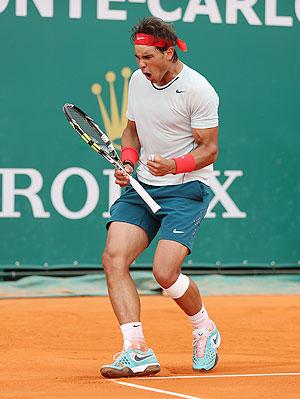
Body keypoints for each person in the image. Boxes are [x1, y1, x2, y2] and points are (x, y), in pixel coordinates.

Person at [100, 16, 220, 378]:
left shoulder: (199, 90)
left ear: (168, 52)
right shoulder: (138, 81)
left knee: (165, 273)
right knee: (113, 257)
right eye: (137, 57)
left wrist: (176, 164)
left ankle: (203, 329)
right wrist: (127, 163)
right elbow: (131, 132)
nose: (141, 65)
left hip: (187, 189)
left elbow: (209, 149)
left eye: (148, 57)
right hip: (143, 187)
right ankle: (135, 350)